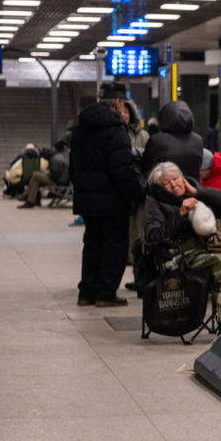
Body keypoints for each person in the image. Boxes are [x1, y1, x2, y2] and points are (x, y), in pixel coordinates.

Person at [144, 162, 221, 326]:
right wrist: (180, 214)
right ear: (160, 187)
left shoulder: (194, 192)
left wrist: (198, 192)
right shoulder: (154, 201)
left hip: (206, 248)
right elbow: (153, 237)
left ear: (182, 178)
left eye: (175, 179)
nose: (173, 184)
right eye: (166, 183)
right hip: (178, 253)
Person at [70, 83, 145, 307]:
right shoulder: (115, 129)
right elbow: (121, 170)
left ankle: (86, 293)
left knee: (92, 244)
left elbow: (72, 165)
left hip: (87, 200)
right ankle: (105, 294)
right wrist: (135, 194)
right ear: (117, 102)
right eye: (123, 103)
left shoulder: (80, 127)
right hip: (112, 202)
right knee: (115, 246)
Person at [141, 100, 203, 182]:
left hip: (165, 190)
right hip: (192, 189)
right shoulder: (198, 139)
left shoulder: (156, 140)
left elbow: (146, 167)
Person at [123, 99, 150, 271]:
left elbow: (149, 155)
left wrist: (136, 152)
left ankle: (134, 257)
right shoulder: (114, 132)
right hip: (120, 185)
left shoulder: (143, 136)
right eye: (122, 112)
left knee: (137, 224)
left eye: (127, 112)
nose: (124, 115)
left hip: (138, 185)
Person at [17, 140, 69, 208]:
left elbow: (54, 175)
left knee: (35, 175)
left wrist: (47, 173)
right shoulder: (65, 155)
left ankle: (26, 195)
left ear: (56, 148)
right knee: (37, 180)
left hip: (60, 182)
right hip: (65, 181)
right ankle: (31, 201)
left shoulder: (55, 158)